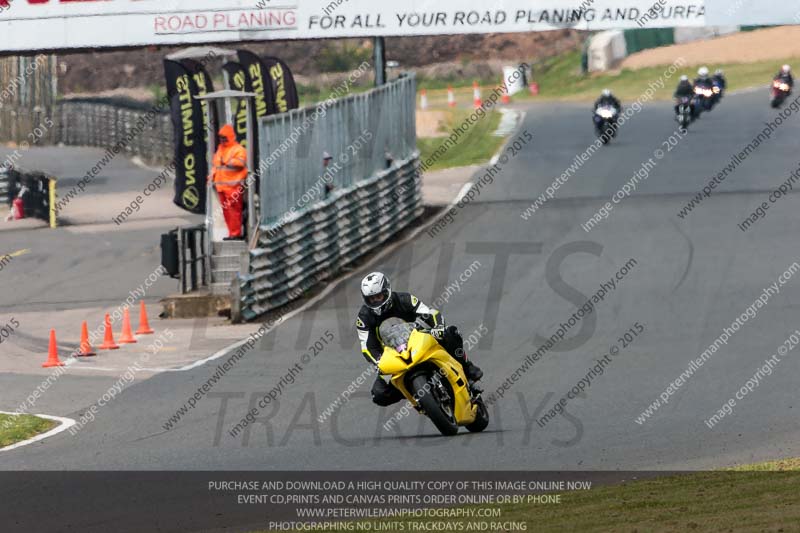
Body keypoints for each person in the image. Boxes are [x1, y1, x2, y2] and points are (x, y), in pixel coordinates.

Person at [355, 272, 483, 407]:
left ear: (387, 291)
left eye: (378, 296)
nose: (376, 301)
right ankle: (414, 392)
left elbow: (429, 313)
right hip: (393, 356)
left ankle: (466, 366)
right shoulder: (364, 317)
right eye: (371, 299)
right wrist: (378, 362)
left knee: (451, 333)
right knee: (379, 394)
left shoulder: (404, 299)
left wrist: (438, 328)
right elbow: (367, 346)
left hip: (419, 340)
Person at [209, 124, 247, 241]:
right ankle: (232, 233)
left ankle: (235, 233)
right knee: (227, 212)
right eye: (221, 137)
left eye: (224, 137)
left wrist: (225, 161)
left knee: (234, 211)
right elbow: (216, 165)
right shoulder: (220, 149)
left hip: (233, 186)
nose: (222, 140)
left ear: (230, 136)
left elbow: (240, 163)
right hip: (221, 187)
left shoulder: (238, 149)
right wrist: (211, 176)